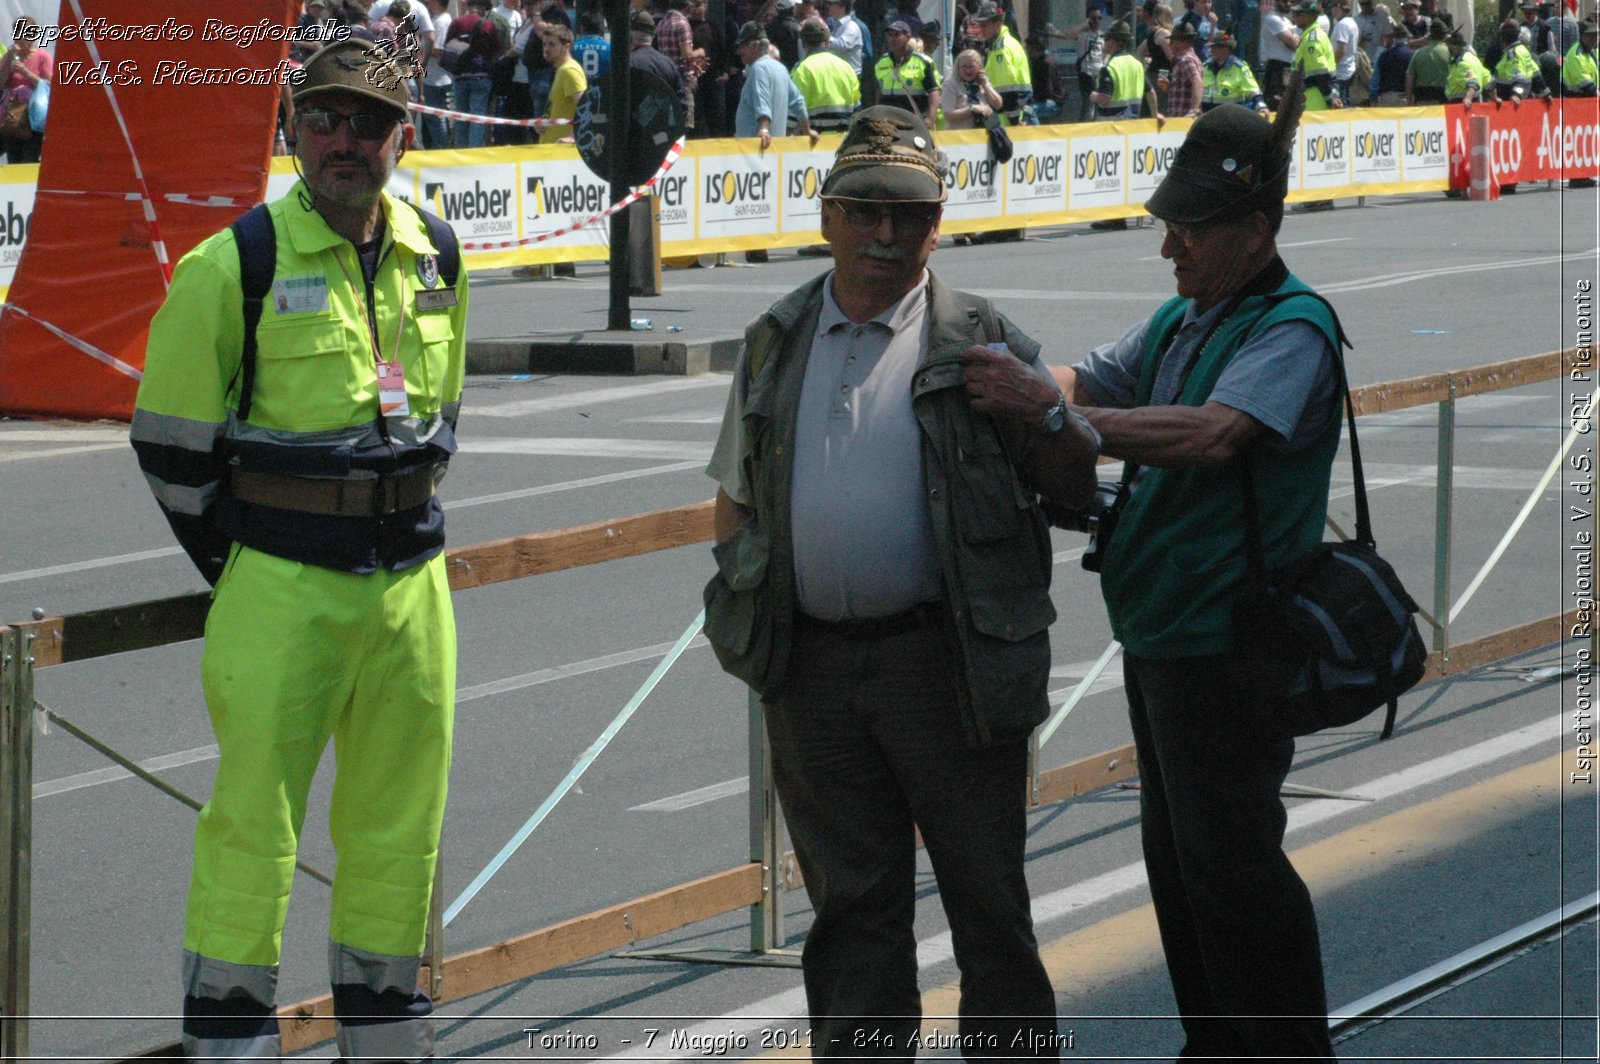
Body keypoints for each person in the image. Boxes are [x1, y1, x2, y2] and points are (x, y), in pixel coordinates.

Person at [704, 102, 1100, 1063]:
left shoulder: (981, 335)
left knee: (989, 908)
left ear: (939, 223)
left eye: (911, 217)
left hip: (949, 668)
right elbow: (737, 501)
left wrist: (1048, 415)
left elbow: (1077, 493)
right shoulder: (777, 336)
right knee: (852, 916)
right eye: (868, 212)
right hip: (816, 676)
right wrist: (755, 612)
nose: (888, 236)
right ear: (828, 214)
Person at [130, 40, 467, 1064]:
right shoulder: (234, 263)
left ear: (401, 138)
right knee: (251, 833)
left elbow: (441, 418)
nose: (345, 141)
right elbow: (171, 447)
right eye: (324, 119)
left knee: (399, 831)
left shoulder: (438, 253)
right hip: (280, 588)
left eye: (368, 122)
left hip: (412, 590)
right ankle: (230, 1046)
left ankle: (385, 1041)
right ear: (292, 131)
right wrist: (253, 564)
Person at [1053, 82, 1343, 1064]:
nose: (1168, 248)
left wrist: (1063, 424)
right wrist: (989, 366)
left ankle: (1283, 1051)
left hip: (1230, 644)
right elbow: (1079, 381)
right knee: (1181, 868)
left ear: (1254, 228)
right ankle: (1217, 1044)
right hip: (1165, 637)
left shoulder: (1291, 327)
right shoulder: (1183, 320)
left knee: (1233, 872)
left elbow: (1214, 436)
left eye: (1188, 229)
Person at [793, 16, 863, 132]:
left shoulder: (801, 70)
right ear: (827, 42)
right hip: (843, 142)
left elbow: (794, 112)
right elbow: (857, 110)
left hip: (814, 144)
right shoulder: (846, 67)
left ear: (804, 44)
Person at [972, 1, 1034, 124]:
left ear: (998, 24)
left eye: (985, 25)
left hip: (1009, 119)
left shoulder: (1001, 49)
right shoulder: (1011, 43)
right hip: (1022, 114)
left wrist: (1014, 121)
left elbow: (1008, 91)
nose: (981, 30)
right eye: (980, 25)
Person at [874, 19, 943, 128]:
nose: (893, 39)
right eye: (890, 35)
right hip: (888, 121)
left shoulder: (922, 62)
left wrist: (931, 118)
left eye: (897, 35)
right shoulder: (882, 61)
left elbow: (934, 92)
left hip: (914, 120)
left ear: (908, 37)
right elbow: (879, 91)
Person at [0, 17, 51, 164]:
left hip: (33, 116)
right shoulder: (10, 56)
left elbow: (49, 85)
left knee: (29, 159)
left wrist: (26, 73)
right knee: (13, 160)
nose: (19, 39)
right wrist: (8, 58)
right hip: (12, 116)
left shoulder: (42, 56)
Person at [656, 0, 707, 132]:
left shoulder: (662, 23)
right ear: (686, 6)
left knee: (669, 126)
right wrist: (701, 51)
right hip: (683, 81)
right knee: (686, 126)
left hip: (666, 80)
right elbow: (687, 55)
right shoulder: (683, 24)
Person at [539, 21, 586, 144]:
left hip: (561, 153)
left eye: (552, 44)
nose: (546, 49)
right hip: (551, 148)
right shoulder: (561, 70)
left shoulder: (569, 71)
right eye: (544, 44)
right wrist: (544, 121)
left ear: (567, 47)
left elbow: (586, 108)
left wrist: (573, 138)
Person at [941, 46, 1005, 128]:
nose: (968, 71)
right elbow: (948, 116)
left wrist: (985, 86)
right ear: (958, 68)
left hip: (983, 136)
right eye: (964, 66)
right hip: (959, 137)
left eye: (971, 66)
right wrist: (973, 109)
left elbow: (998, 105)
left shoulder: (982, 81)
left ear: (979, 67)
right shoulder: (951, 84)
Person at [1202, 31, 1268, 109]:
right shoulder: (1205, 66)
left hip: (1231, 114)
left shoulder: (1239, 68)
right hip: (1206, 114)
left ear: (1225, 49)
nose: (1211, 51)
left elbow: (1252, 89)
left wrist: (1260, 104)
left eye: (1214, 47)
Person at [1065, 1, 1108, 120]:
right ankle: (1085, 125)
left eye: (1099, 18)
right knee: (1088, 103)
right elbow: (1069, 35)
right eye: (1094, 18)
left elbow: (1107, 52)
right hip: (1086, 74)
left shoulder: (1103, 36)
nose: (1097, 21)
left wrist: (1105, 62)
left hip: (1099, 73)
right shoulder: (1083, 35)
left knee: (1099, 102)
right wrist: (1084, 24)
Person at [1260, 0, 1299, 105]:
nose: (1288, 4)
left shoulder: (1286, 21)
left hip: (1289, 67)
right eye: (1284, 1)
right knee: (1277, 105)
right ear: (1276, 2)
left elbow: (1296, 44)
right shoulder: (1273, 19)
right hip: (1277, 68)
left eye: (1291, 1)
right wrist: (1293, 38)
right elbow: (1296, 44)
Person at [1404, 18, 1450, 102]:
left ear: (1430, 35)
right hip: (1444, 100)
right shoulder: (1451, 52)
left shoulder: (1418, 53)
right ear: (1445, 35)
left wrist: (1409, 100)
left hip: (1423, 99)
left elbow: (1409, 77)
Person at [1026, 31, 1069, 121]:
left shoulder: (1046, 63)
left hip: (1053, 102)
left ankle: (1036, 134)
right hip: (1041, 99)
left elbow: (1047, 91)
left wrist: (1031, 99)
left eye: (1029, 47)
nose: (1027, 49)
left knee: (1028, 111)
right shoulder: (1035, 61)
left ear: (1034, 47)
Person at [1166, 21, 1205, 115]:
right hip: (1179, 117)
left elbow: (1197, 82)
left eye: (1172, 41)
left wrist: (1193, 110)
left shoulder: (1186, 60)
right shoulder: (1190, 58)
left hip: (1182, 118)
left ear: (1180, 42)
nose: (1169, 45)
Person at [1329, 0, 1361, 101]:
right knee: (1345, 100)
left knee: (1340, 102)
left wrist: (1331, 65)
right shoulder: (1351, 22)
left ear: (1339, 6)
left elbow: (1342, 49)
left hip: (1340, 72)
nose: (1331, 10)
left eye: (1333, 6)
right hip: (1348, 68)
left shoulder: (1342, 24)